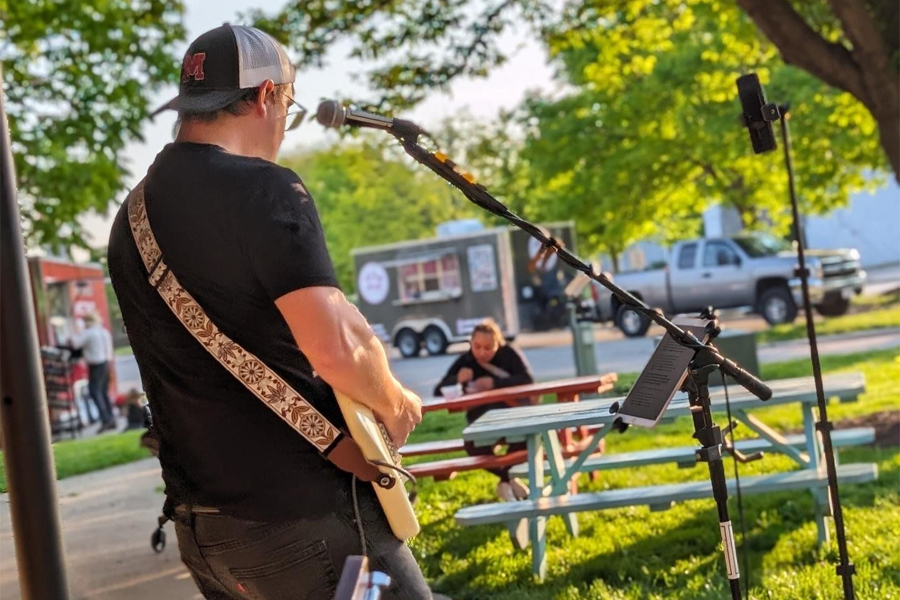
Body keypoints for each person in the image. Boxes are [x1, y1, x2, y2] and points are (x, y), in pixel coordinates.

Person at [107, 25, 428, 600]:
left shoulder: (130, 218)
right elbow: (336, 347)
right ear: (265, 96)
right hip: (307, 518)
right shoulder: (267, 189)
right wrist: (397, 402)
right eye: (288, 103)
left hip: (204, 528)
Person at [433, 319, 534, 501]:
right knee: (471, 444)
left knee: (526, 438)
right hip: (479, 419)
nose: (481, 352)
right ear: (471, 343)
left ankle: (506, 481)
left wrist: (495, 384)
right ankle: (509, 479)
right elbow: (437, 390)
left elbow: (527, 381)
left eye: (488, 348)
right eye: (477, 346)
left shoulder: (509, 355)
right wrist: (456, 378)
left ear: (498, 344)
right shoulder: (466, 360)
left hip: (512, 415)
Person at [70, 312, 116, 432]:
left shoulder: (89, 333)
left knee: (95, 392)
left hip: (96, 365)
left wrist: (78, 330)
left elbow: (74, 343)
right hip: (105, 363)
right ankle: (111, 418)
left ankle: (106, 419)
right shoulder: (103, 332)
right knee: (103, 392)